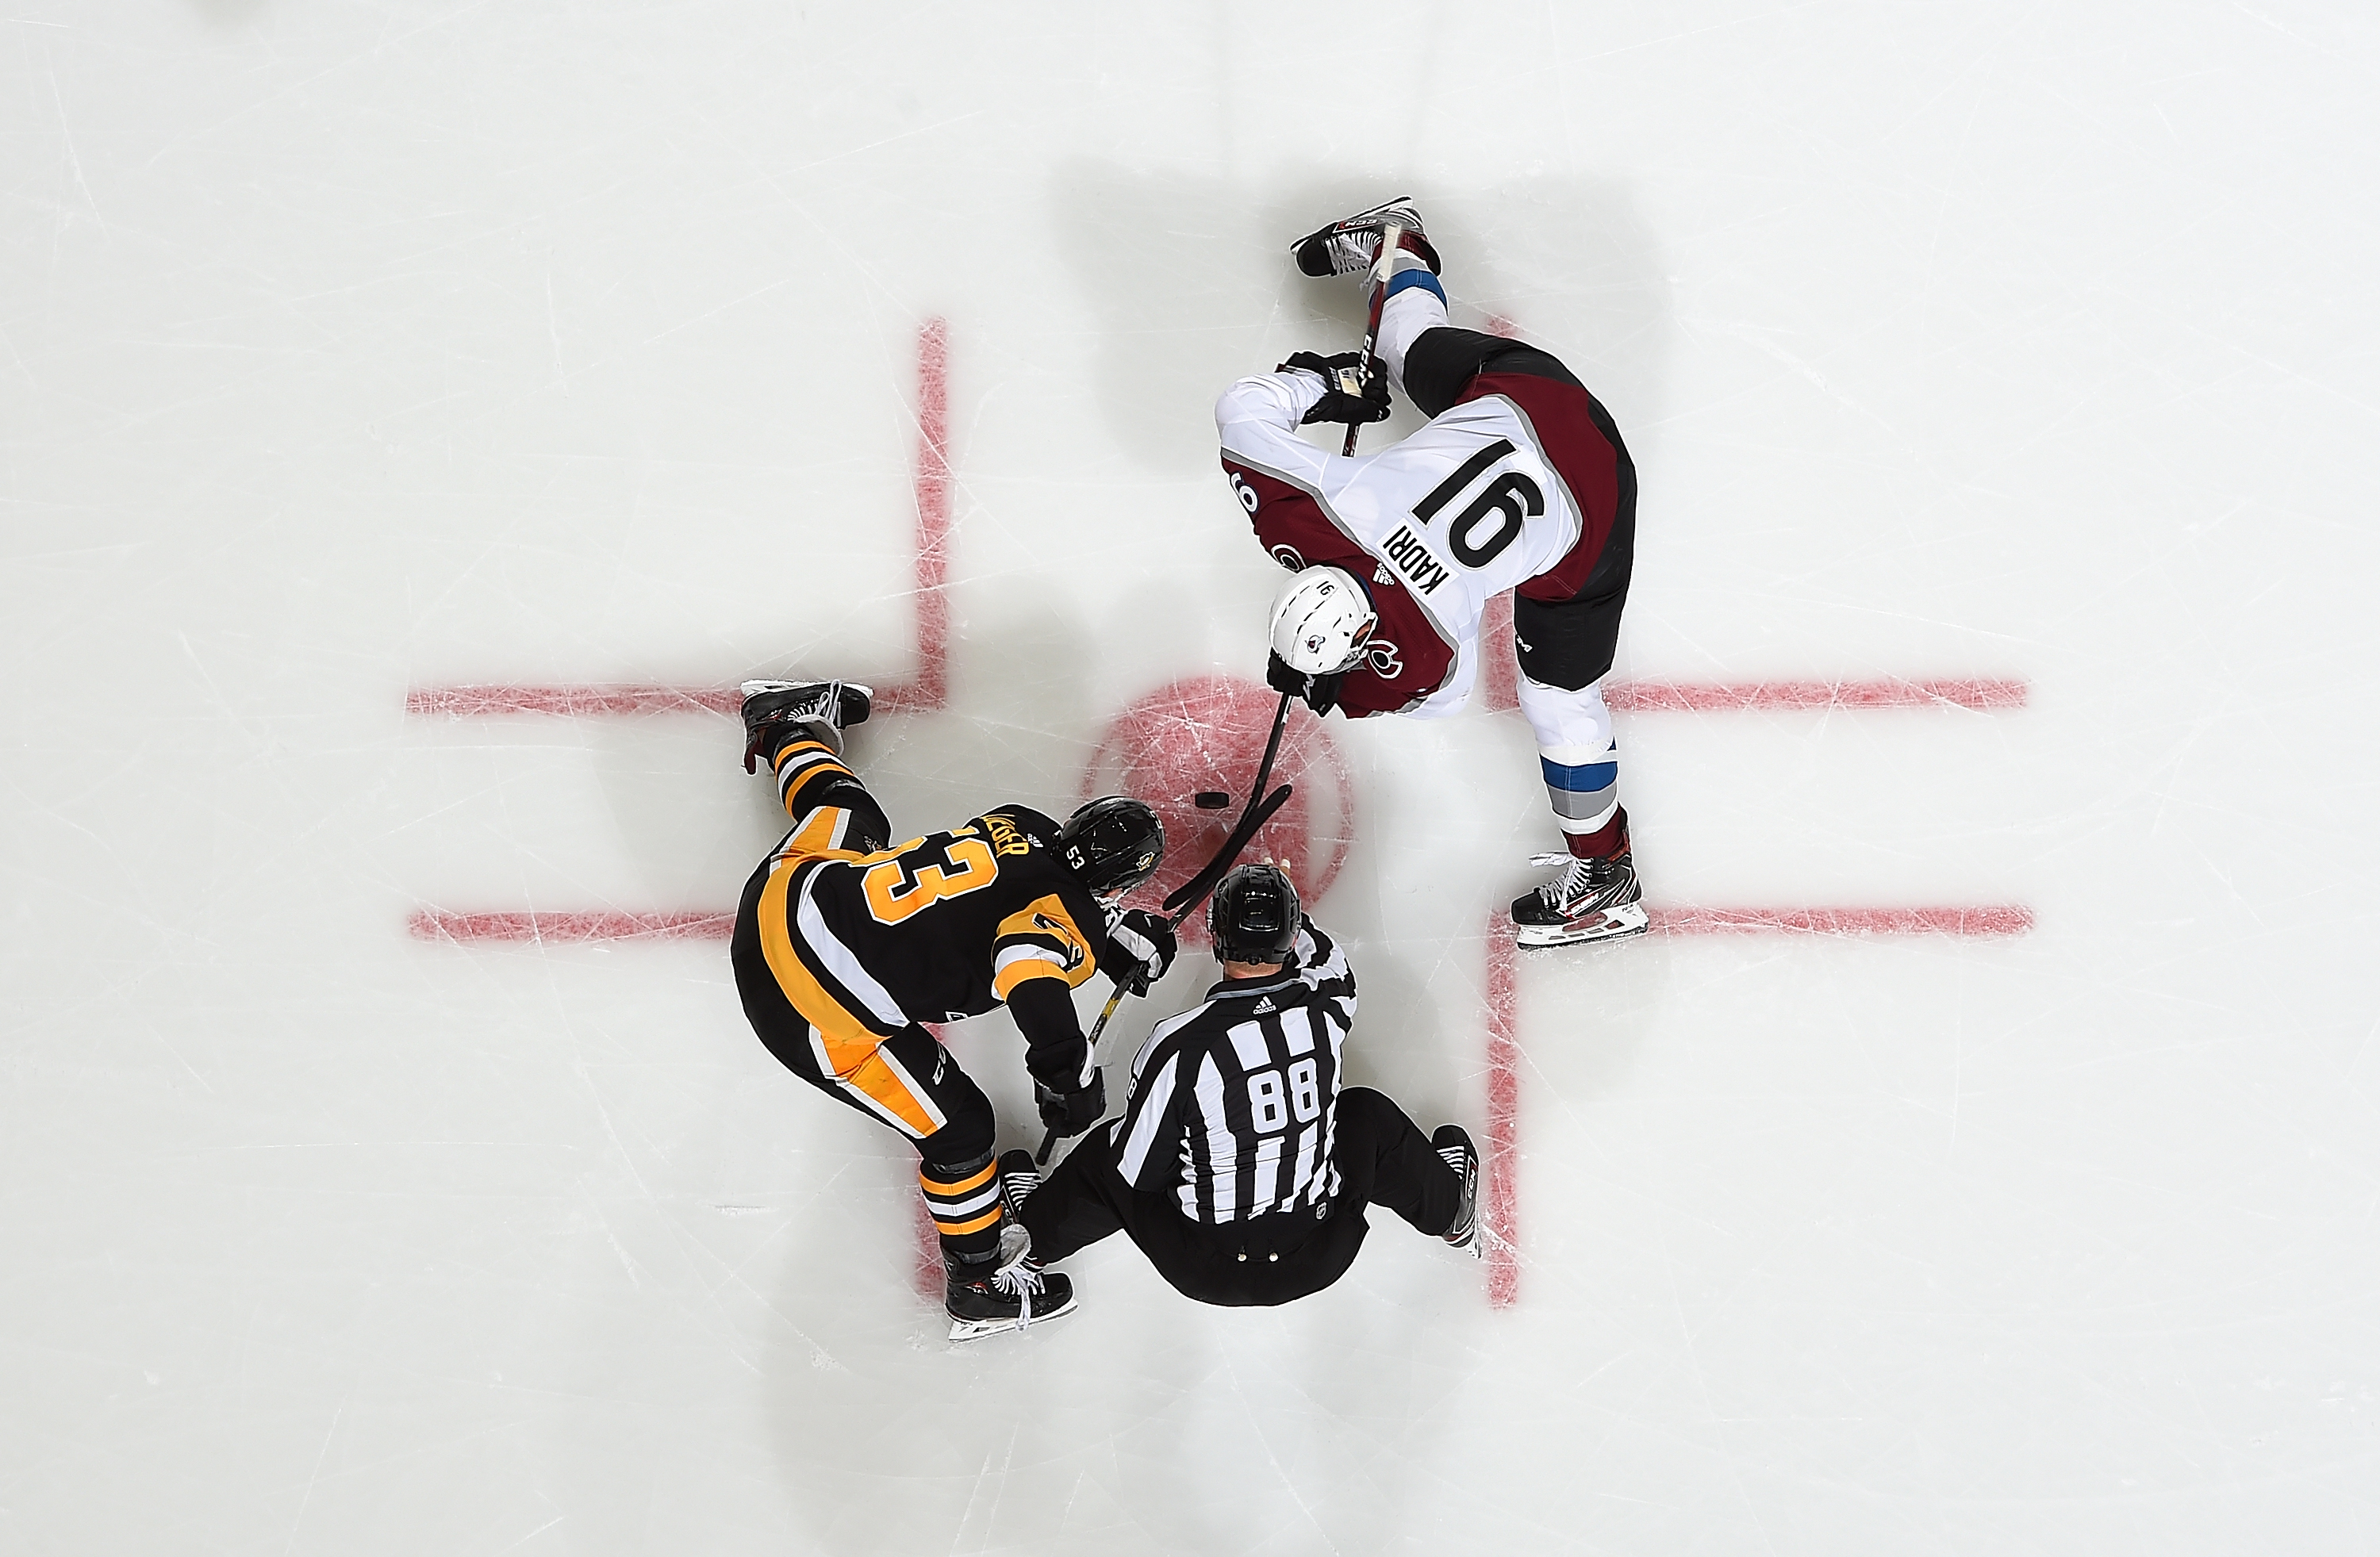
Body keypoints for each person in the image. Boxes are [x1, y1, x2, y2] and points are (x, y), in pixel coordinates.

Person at [1215, 198, 1648, 946]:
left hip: (1593, 505)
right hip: (1536, 391)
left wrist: (1341, 686)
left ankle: (1609, 880)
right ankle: (1401, 248)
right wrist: (1329, 383)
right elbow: (1241, 413)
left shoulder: (1432, 640)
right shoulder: (1315, 510)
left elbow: (1437, 696)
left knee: (1559, 699)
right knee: (1406, 353)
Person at [729, 678, 1177, 1340]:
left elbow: (1018, 893)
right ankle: (975, 1283)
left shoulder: (1023, 822)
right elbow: (1028, 965)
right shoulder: (1062, 925)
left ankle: (788, 727)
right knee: (962, 1130)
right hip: (809, 1010)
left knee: (853, 815)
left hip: (786, 898)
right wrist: (1069, 1079)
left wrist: (1103, 934)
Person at [995, 863, 1479, 1311]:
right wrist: (1278, 912)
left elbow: (1138, 1175)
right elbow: (1324, 955)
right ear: (1290, 936)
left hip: (1209, 1267)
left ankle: (1031, 1237)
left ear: (1215, 939)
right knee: (1366, 1115)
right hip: (1321, 1252)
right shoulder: (1328, 1003)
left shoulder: (1178, 1046)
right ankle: (1449, 1211)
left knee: (1113, 1154)